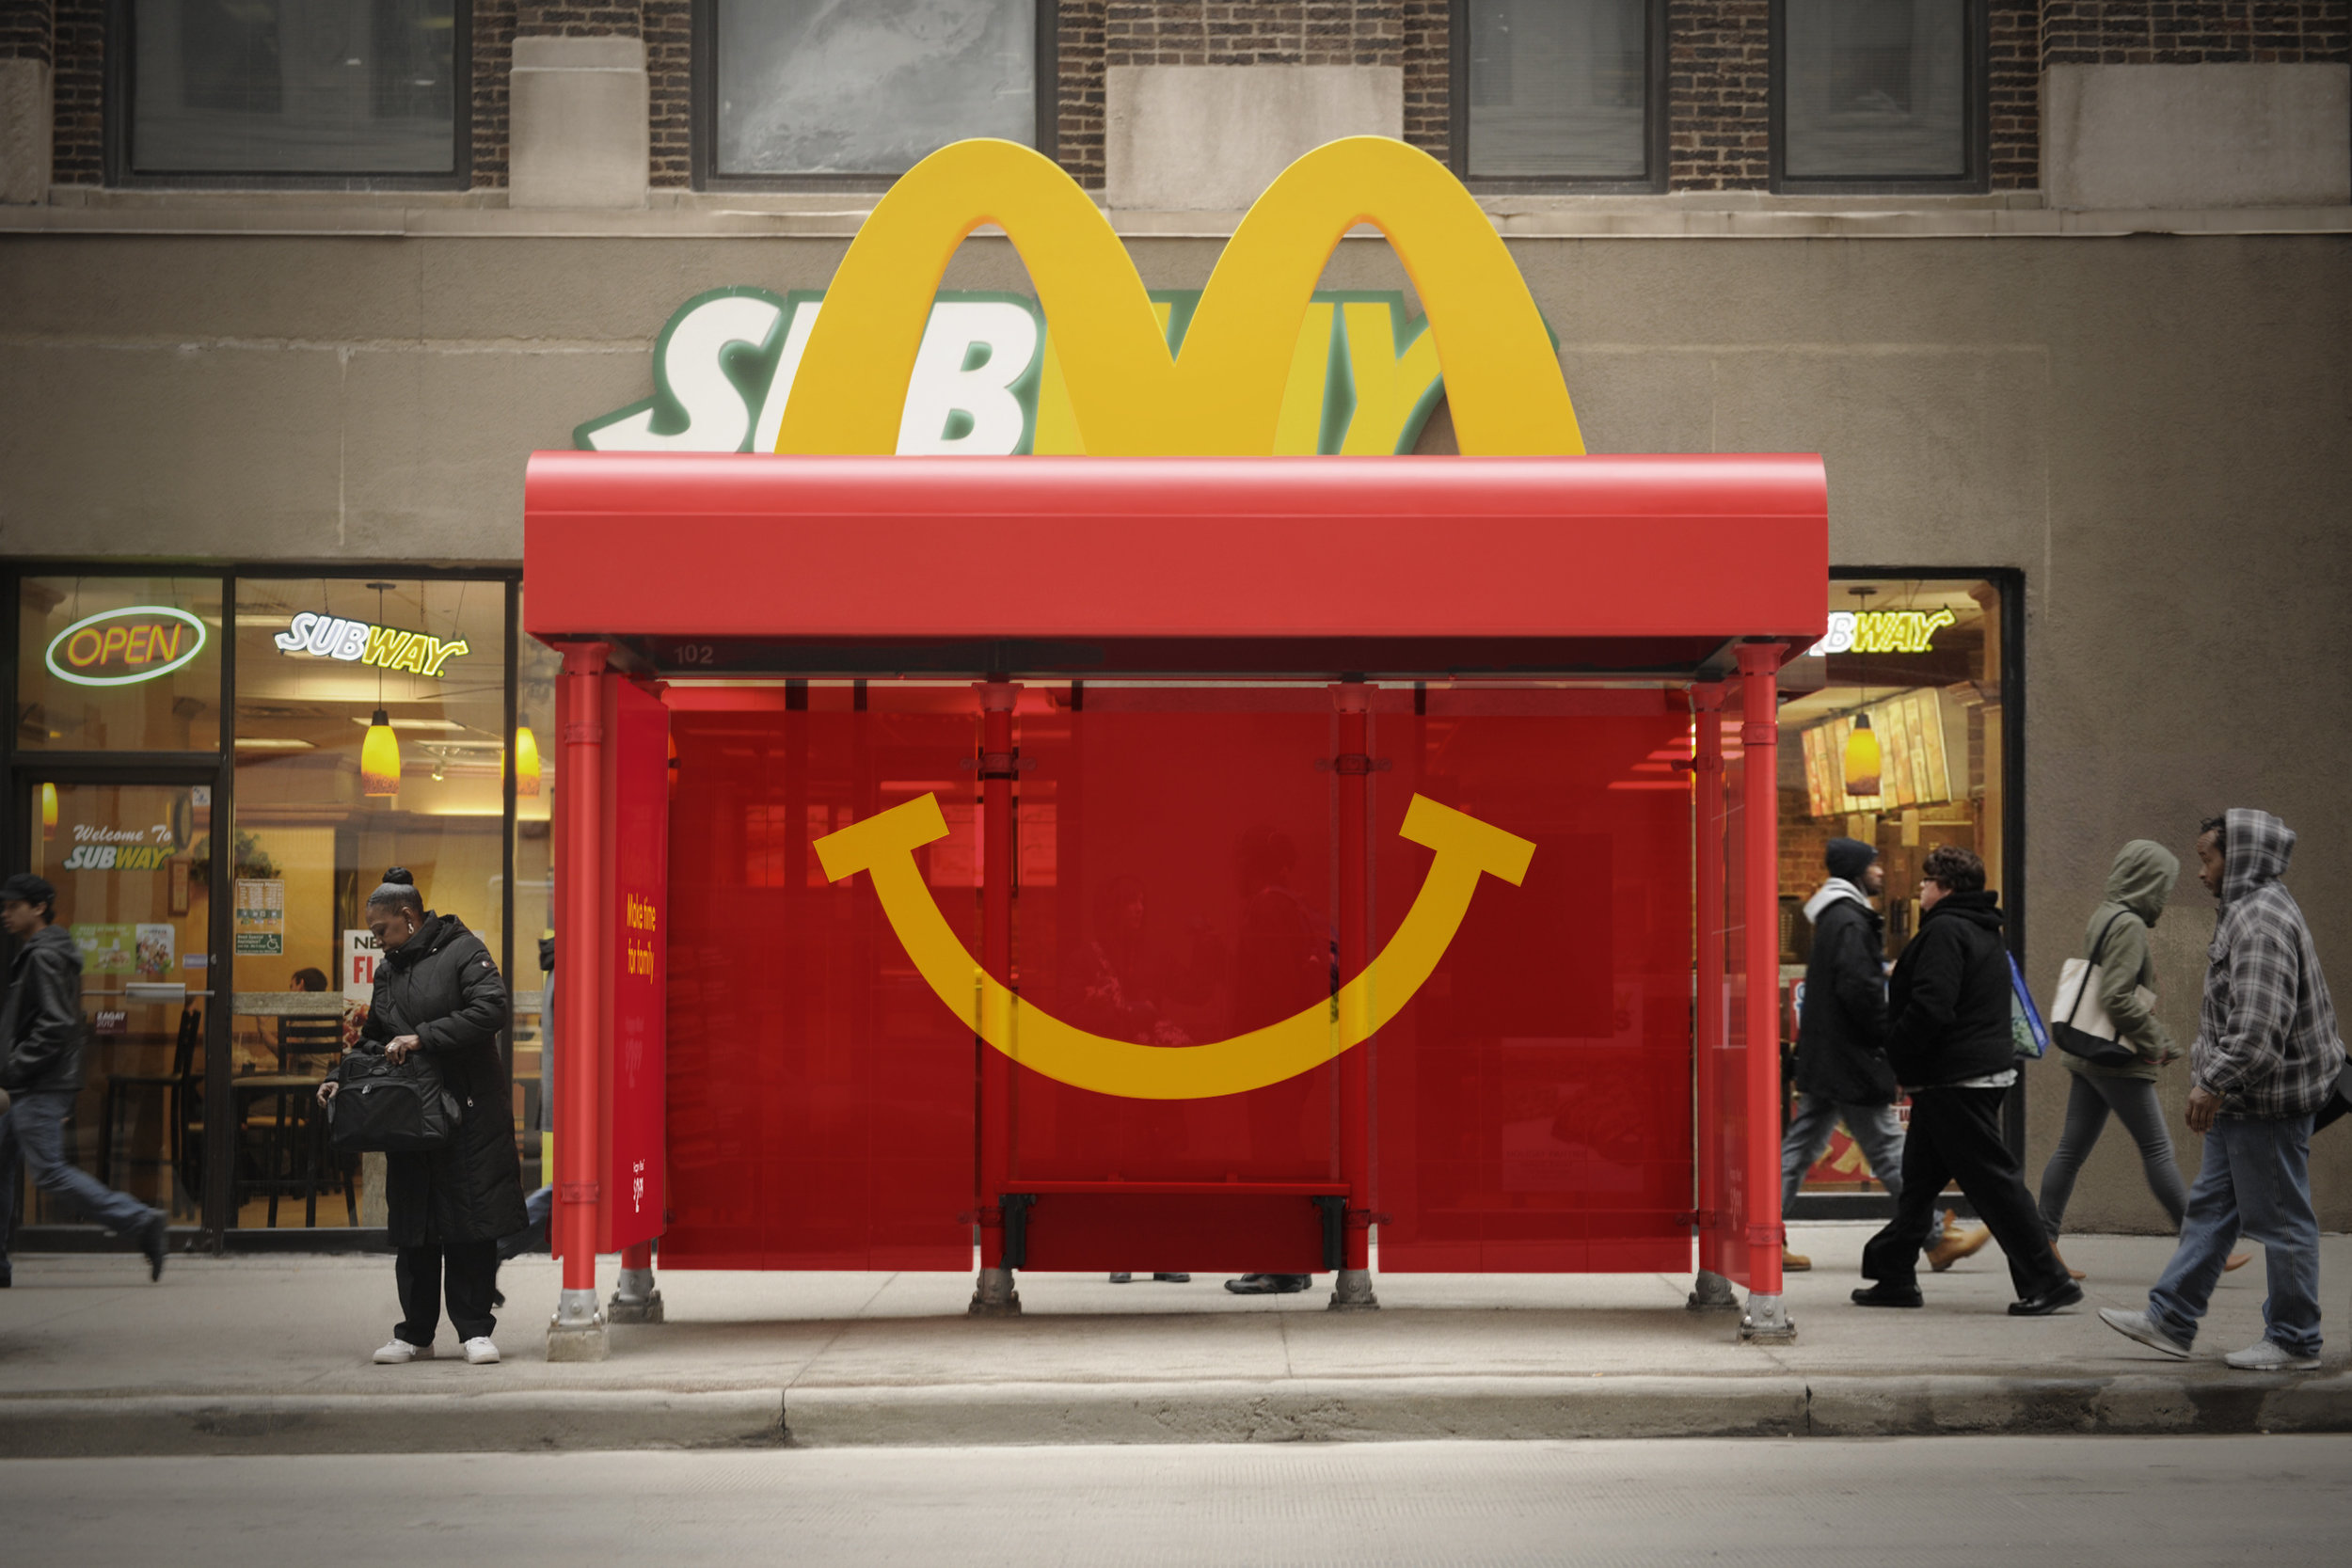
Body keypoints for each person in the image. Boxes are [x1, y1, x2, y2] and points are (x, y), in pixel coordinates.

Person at [2101, 811, 2344, 1371]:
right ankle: (2171, 1319)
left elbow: (2259, 1029)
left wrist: (2212, 1082)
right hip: (2246, 1098)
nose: (2200, 871)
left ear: (2242, 858)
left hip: (2265, 1100)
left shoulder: (2259, 922)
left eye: (2207, 858)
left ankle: (2295, 1339)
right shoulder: (2246, 909)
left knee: (2282, 1222)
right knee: (2212, 1210)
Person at [1853, 846, 2080, 1315]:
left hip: (1956, 1080)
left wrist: (1896, 1049)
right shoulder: (1981, 930)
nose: (1919, 889)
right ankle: (1894, 1272)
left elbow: (1932, 1006)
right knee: (1917, 1184)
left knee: (1995, 1185)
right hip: (1963, 1076)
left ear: (1946, 888)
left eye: (1926, 881)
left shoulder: (1945, 931)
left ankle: (2048, 1279)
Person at [320, 869, 526, 1365]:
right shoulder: (388, 972)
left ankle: (475, 1330)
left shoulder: (463, 949)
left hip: (467, 1112)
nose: (378, 941)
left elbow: (491, 1009)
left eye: (382, 930)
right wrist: (340, 1077)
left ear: (409, 919)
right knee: (415, 1227)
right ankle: (415, 1334)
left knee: (468, 1223)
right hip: (411, 1116)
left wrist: (422, 1037)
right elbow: (371, 1036)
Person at [2033, 841, 2249, 1280]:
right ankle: (2205, 1247)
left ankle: (2041, 1247)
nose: (2166, 897)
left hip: (2088, 1053)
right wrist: (2161, 1042)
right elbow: (2117, 998)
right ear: (2147, 881)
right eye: (2163, 886)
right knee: (2158, 1150)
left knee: (2070, 1151)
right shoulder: (2128, 924)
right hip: (2118, 1057)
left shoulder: (2105, 913)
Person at [1779, 837, 1989, 1275]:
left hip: (1830, 1059)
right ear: (1856, 870)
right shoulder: (1851, 921)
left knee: (1800, 1150)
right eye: (1873, 864)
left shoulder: (1835, 917)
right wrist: (1889, 1042)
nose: (1880, 871)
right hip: (1850, 1060)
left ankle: (1761, 1237)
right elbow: (1861, 994)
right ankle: (1939, 1238)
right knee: (1889, 1148)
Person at [0, 872, 169, 1287]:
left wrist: (13, 1068)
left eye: (13, 905)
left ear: (38, 907)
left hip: (37, 1084)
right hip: (35, 1082)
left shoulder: (43, 955)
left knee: (51, 1173)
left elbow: (57, 1025)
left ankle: (142, 1222)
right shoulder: (43, 951)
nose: (5, 913)